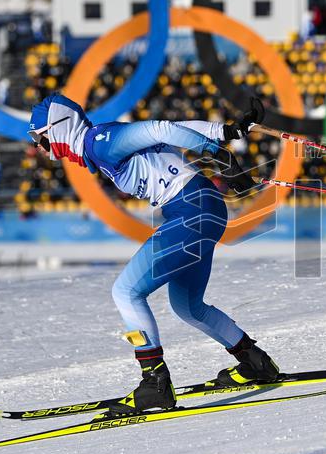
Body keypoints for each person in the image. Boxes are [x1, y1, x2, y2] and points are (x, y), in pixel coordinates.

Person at [28, 93, 279, 417]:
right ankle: (254, 362)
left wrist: (217, 152)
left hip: (192, 213)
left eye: (39, 138)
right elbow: (170, 128)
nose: (39, 147)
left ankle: (155, 384)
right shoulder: (100, 142)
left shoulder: (99, 143)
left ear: (58, 127)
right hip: (202, 210)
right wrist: (224, 131)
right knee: (188, 306)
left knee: (125, 291)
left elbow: (160, 128)